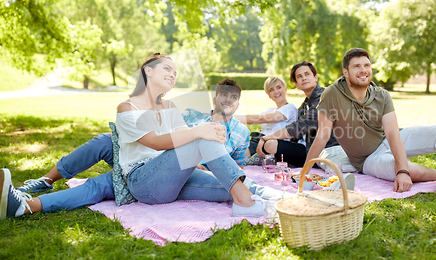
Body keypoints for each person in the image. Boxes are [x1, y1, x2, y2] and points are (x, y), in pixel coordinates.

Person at [1, 53, 271, 219]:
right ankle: (246, 203)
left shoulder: (172, 107)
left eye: (175, 72)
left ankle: (262, 197)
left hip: (169, 180)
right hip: (143, 179)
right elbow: (154, 141)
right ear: (148, 71)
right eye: (167, 68)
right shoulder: (126, 108)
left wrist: (201, 147)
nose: (173, 74)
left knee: (223, 187)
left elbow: (181, 141)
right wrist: (200, 132)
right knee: (197, 139)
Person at [305, 48, 436, 192]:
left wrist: (402, 170)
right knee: (408, 169)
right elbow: (322, 136)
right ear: (346, 72)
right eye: (357, 66)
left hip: (388, 140)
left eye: (367, 65)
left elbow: (392, 133)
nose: (363, 70)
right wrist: (305, 169)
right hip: (367, 160)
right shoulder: (331, 94)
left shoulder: (381, 95)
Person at [16, 79, 251, 193]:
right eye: (223, 95)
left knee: (113, 178)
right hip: (156, 157)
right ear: (215, 98)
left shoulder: (242, 132)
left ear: (238, 103)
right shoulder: (191, 116)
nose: (227, 100)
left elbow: (236, 166)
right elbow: (164, 137)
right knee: (105, 141)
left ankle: (116, 181)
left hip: (175, 172)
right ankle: (47, 180)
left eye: (233, 97)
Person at [255, 61, 350, 169]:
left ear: (315, 77)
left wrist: (265, 138)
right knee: (270, 144)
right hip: (310, 151)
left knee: (269, 143)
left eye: (307, 74)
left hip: (330, 151)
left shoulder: (324, 97)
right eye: (299, 76)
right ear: (296, 84)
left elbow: (298, 127)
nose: (304, 78)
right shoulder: (304, 106)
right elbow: (295, 135)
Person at [234, 76, 298, 162]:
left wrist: (230, 117)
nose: (276, 92)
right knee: (232, 151)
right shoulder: (270, 110)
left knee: (235, 157)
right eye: (271, 90)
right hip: (257, 140)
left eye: (278, 87)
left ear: (285, 89)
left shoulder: (290, 108)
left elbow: (259, 119)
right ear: (269, 95)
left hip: (271, 144)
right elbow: (257, 119)